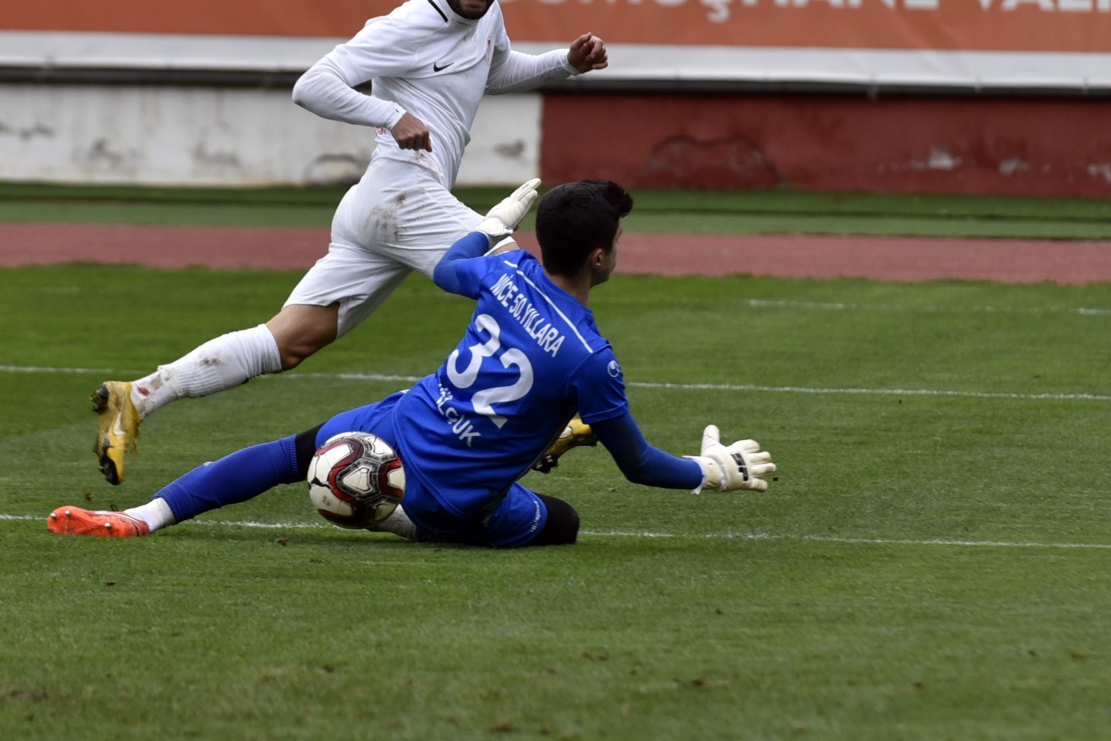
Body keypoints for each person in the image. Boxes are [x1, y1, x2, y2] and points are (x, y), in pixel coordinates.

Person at [91, 0, 609, 486]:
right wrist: (391, 113)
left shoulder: (485, 15)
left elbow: (496, 68)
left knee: (286, 343)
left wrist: (566, 63)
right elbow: (311, 85)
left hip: (379, 208)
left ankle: (138, 396)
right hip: (403, 194)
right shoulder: (407, 24)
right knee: (522, 282)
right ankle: (556, 417)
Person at [49, 181, 777, 547]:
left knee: (286, 452)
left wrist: (494, 224)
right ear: (598, 255)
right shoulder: (592, 358)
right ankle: (422, 502)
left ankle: (141, 519)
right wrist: (711, 471)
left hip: (403, 420)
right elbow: (643, 466)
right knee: (565, 523)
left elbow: (452, 263)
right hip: (452, 498)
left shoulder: (506, 273)